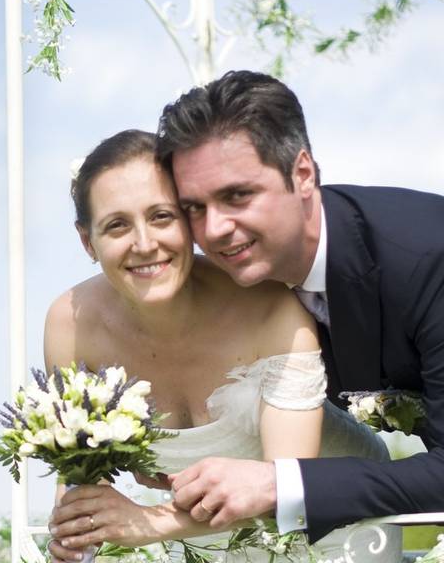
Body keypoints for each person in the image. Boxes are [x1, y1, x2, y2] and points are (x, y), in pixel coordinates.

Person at [43, 129, 399, 563]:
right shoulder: (71, 325)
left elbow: (285, 486)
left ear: (191, 221)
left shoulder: (270, 308)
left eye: (161, 216)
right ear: (88, 242)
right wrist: (77, 531)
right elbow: (78, 469)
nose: (143, 244)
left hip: (335, 530)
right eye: (117, 225)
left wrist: (150, 521)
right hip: (195, 545)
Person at [148, 69, 444, 542]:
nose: (215, 229)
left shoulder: (429, 259)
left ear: (302, 173)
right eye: (195, 209)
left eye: (237, 195)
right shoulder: (240, 289)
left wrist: (278, 483)